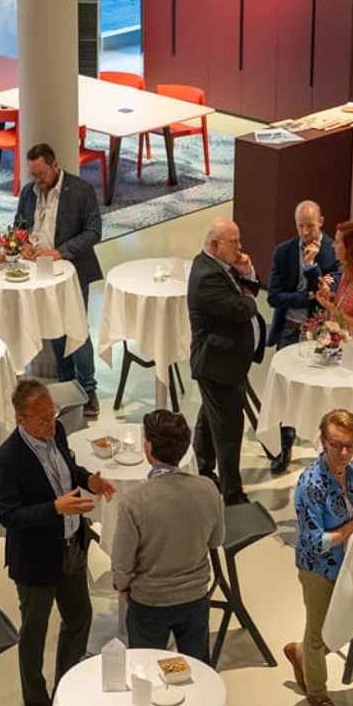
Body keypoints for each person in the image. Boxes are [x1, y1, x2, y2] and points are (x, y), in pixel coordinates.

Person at [0, 378, 115, 706]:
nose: (51, 423)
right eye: (42, 419)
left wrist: (88, 479)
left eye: (53, 414)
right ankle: (35, 701)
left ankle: (67, 686)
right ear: (20, 420)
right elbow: (9, 516)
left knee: (79, 618)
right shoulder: (8, 460)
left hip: (72, 545)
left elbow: (67, 468)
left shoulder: (57, 432)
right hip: (36, 560)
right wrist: (55, 508)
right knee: (34, 632)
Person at [283, 408, 353, 706]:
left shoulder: (351, 469)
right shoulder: (310, 484)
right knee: (319, 634)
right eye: (336, 445)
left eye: (351, 446)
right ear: (323, 440)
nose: (344, 453)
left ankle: (300, 653)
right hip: (318, 568)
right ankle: (317, 691)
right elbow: (316, 541)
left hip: (349, 560)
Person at [105, 408, 223, 663]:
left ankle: (162, 685)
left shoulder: (134, 501)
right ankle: (187, 688)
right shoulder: (208, 488)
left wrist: (123, 586)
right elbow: (216, 540)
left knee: (147, 668)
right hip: (195, 597)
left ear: (148, 447)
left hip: (150, 601)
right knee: (196, 667)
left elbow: (122, 561)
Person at [13, 144, 104, 421]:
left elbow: (94, 231)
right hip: (39, 272)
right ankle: (66, 384)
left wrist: (60, 252)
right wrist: (22, 243)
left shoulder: (80, 190)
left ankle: (88, 388)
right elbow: (19, 225)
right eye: (33, 175)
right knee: (53, 328)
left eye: (41, 174)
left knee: (76, 329)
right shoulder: (28, 192)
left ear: (55, 166)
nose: (37, 180)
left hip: (72, 271)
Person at [185, 215, 264, 504]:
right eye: (234, 242)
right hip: (218, 365)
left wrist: (247, 273)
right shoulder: (206, 276)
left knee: (210, 418)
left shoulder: (221, 265)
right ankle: (232, 493)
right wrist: (247, 294)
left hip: (227, 362)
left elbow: (252, 290)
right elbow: (242, 309)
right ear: (215, 245)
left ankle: (202, 469)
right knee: (229, 430)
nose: (240, 247)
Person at [264, 203, 338, 469]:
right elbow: (273, 296)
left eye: (310, 226)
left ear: (321, 221)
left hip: (322, 334)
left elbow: (329, 293)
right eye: (300, 226)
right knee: (286, 390)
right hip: (289, 329)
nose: (305, 232)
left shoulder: (334, 252)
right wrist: (306, 297)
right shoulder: (283, 251)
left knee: (322, 390)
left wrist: (311, 266)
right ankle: (284, 445)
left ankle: (325, 447)